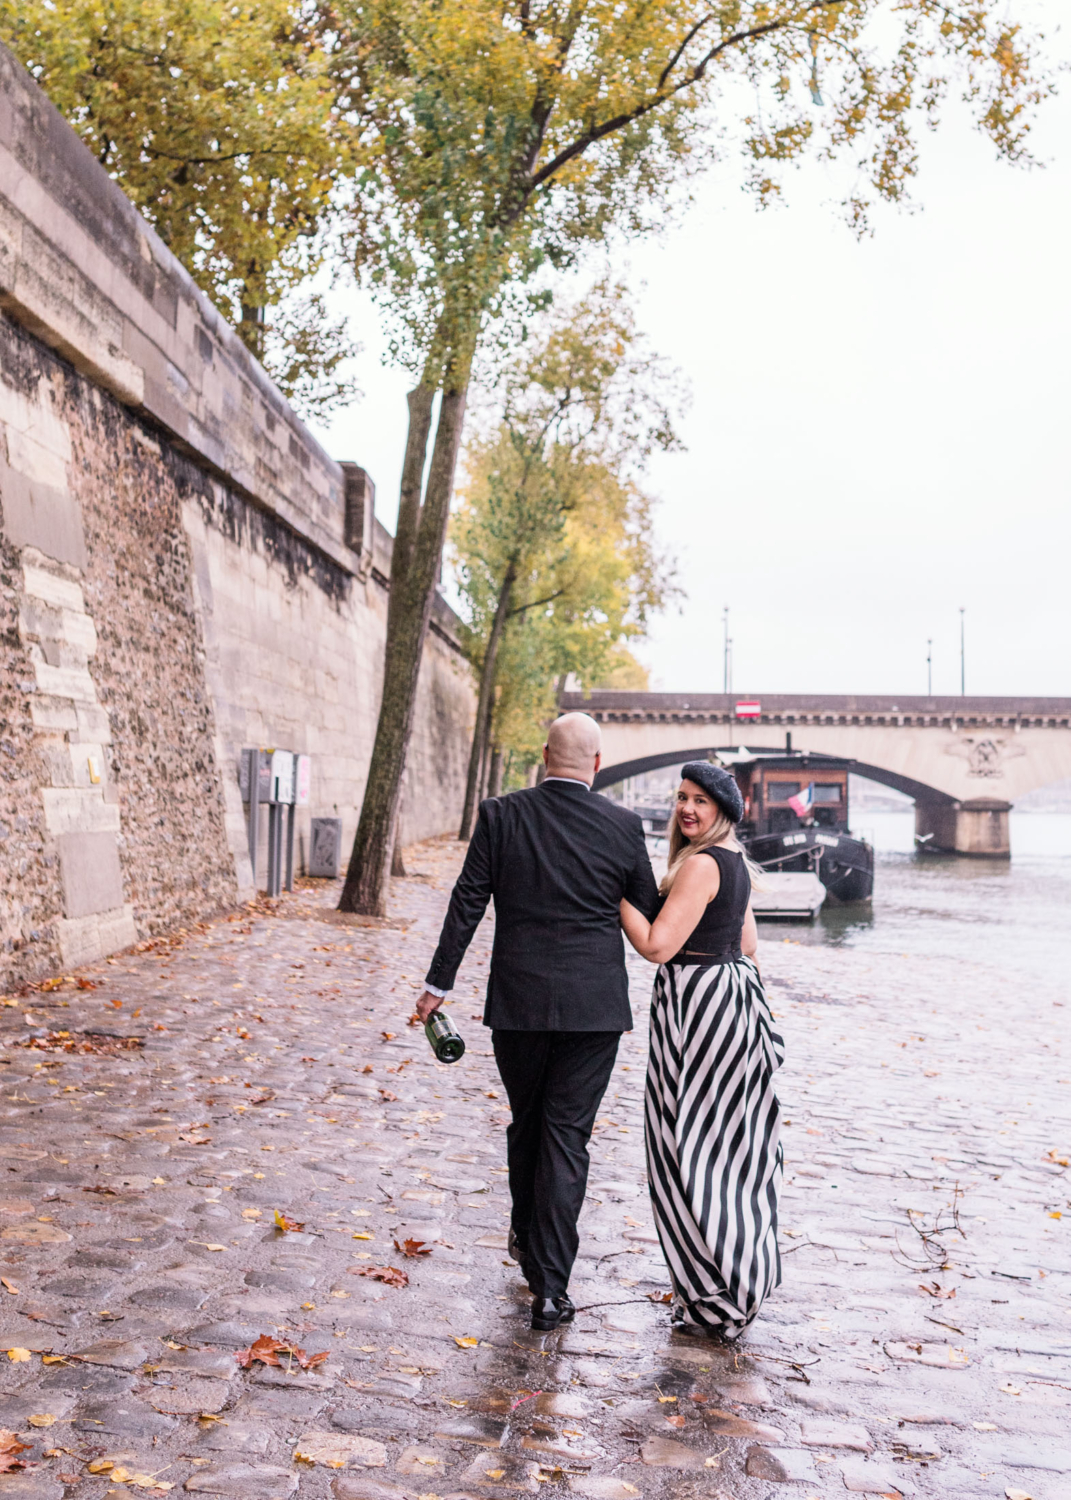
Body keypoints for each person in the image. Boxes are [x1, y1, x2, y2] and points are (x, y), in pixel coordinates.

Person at [417, 712, 659, 1331]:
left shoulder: (502, 815)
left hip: (519, 1005)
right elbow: (652, 912)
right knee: (566, 1135)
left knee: (530, 1123)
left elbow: (468, 899)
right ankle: (552, 1288)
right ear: (598, 764)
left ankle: (527, 1241)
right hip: (595, 1010)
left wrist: (437, 985)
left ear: (545, 756)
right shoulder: (624, 826)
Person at [619, 761, 784, 1338]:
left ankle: (711, 1297)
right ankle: (729, 1288)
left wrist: (618, 894)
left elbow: (658, 947)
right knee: (726, 1151)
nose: (687, 808)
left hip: (696, 1007)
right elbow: (749, 945)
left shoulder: (701, 865)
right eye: (682, 798)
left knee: (680, 1148)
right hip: (730, 1001)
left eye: (701, 802)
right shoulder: (734, 863)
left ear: (722, 812)